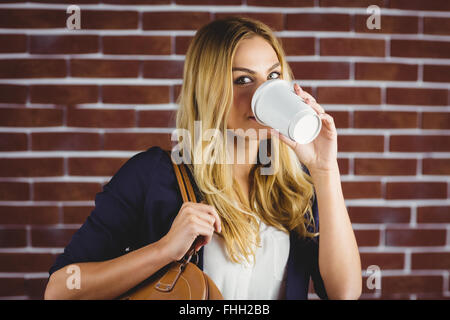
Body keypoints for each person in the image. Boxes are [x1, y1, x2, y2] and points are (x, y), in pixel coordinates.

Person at [44, 16, 361, 300]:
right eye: (242, 80)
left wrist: (325, 169)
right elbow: (60, 290)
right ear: (209, 90)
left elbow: (343, 293)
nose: (263, 93)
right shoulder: (153, 175)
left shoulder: (297, 184)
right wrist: (164, 250)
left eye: (273, 76)